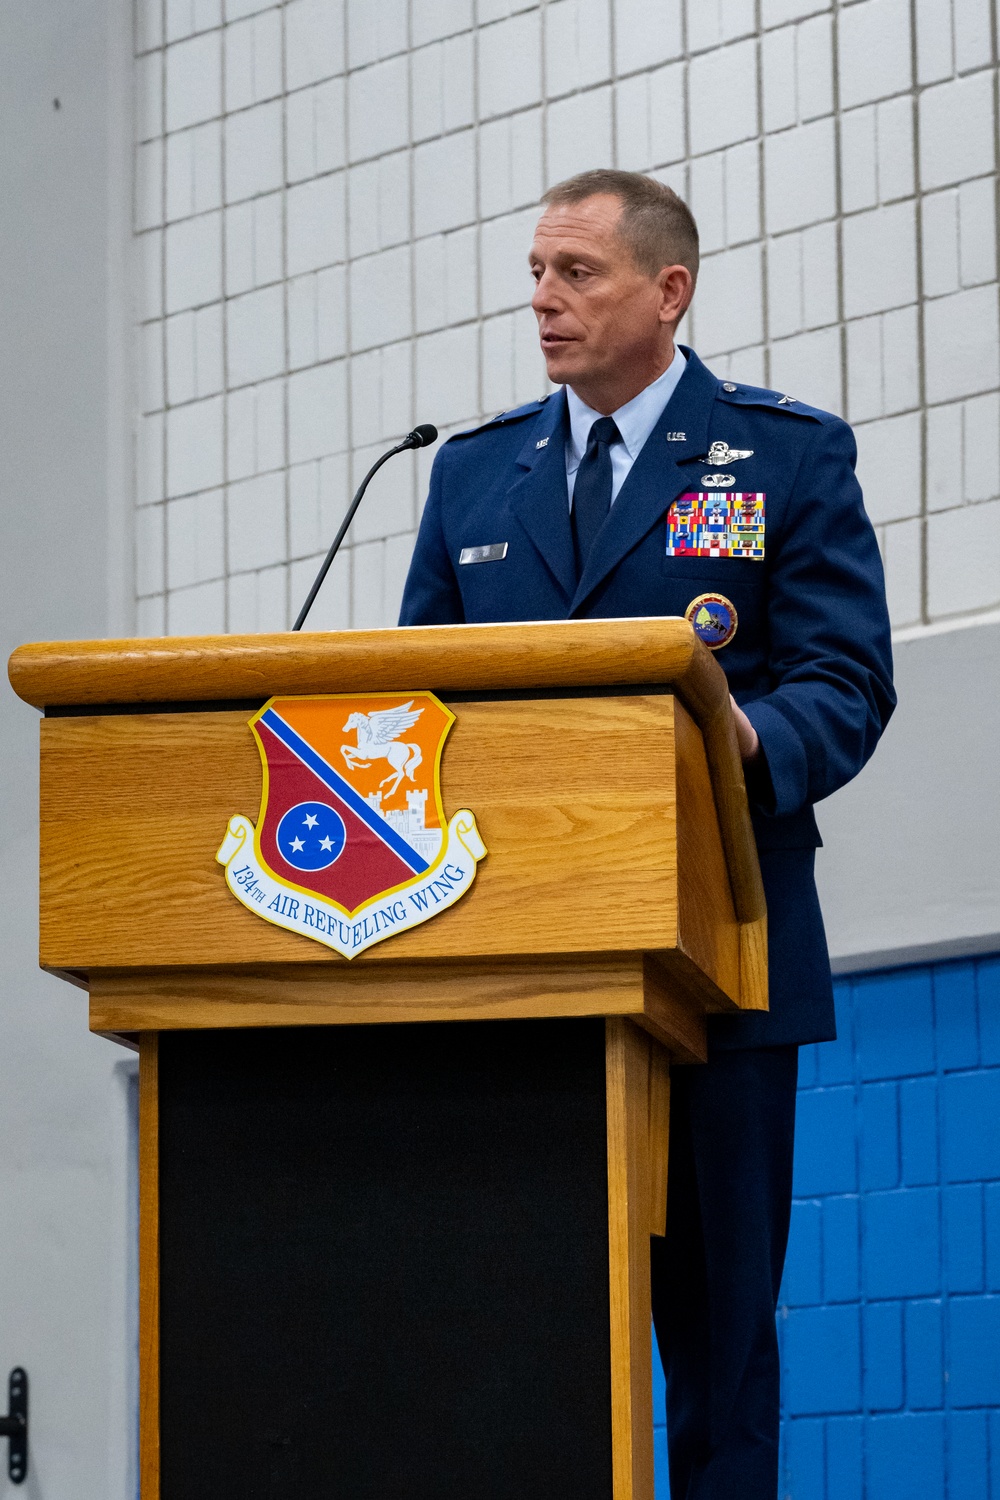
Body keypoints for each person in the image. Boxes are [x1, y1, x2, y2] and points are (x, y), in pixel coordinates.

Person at [399, 169, 895, 1499]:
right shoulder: (470, 476)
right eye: (537, 275)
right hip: (520, 978)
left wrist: (747, 742)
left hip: (722, 965)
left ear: (669, 291)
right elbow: (409, 710)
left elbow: (848, 686)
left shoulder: (784, 454)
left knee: (721, 1349)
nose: (544, 302)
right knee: (529, 1339)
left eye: (578, 274)